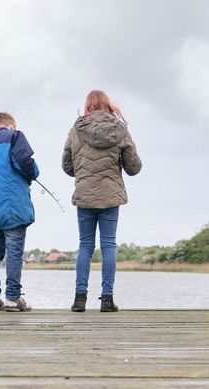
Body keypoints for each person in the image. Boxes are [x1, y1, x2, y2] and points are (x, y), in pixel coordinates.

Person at [62, 90, 142, 312]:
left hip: (85, 195)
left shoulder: (76, 129)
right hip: (110, 196)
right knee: (108, 246)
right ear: (107, 105)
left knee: (85, 246)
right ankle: (107, 299)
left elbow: (67, 166)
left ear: (87, 106)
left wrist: (84, 172)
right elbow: (133, 167)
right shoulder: (120, 129)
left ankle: (80, 299)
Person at [0, 112, 39, 312]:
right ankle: (13, 297)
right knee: (14, 250)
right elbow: (25, 162)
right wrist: (33, 173)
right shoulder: (14, 136)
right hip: (12, 204)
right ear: (10, 125)